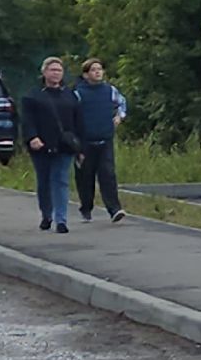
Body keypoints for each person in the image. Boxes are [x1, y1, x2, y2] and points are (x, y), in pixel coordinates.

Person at [20, 56, 81, 233]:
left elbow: (78, 121)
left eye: (59, 70)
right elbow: (27, 120)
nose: (56, 73)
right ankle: (46, 214)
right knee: (44, 181)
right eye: (53, 70)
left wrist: (80, 147)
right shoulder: (33, 96)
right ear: (44, 72)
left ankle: (61, 220)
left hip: (64, 146)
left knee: (61, 181)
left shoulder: (70, 95)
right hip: (42, 146)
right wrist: (32, 137)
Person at [73, 57, 128, 223]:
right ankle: (86, 207)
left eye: (99, 69)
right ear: (85, 74)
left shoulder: (109, 90)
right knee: (85, 177)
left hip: (105, 140)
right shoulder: (78, 93)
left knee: (108, 175)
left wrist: (119, 116)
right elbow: (70, 114)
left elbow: (122, 103)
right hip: (85, 142)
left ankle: (114, 209)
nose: (97, 72)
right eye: (93, 70)